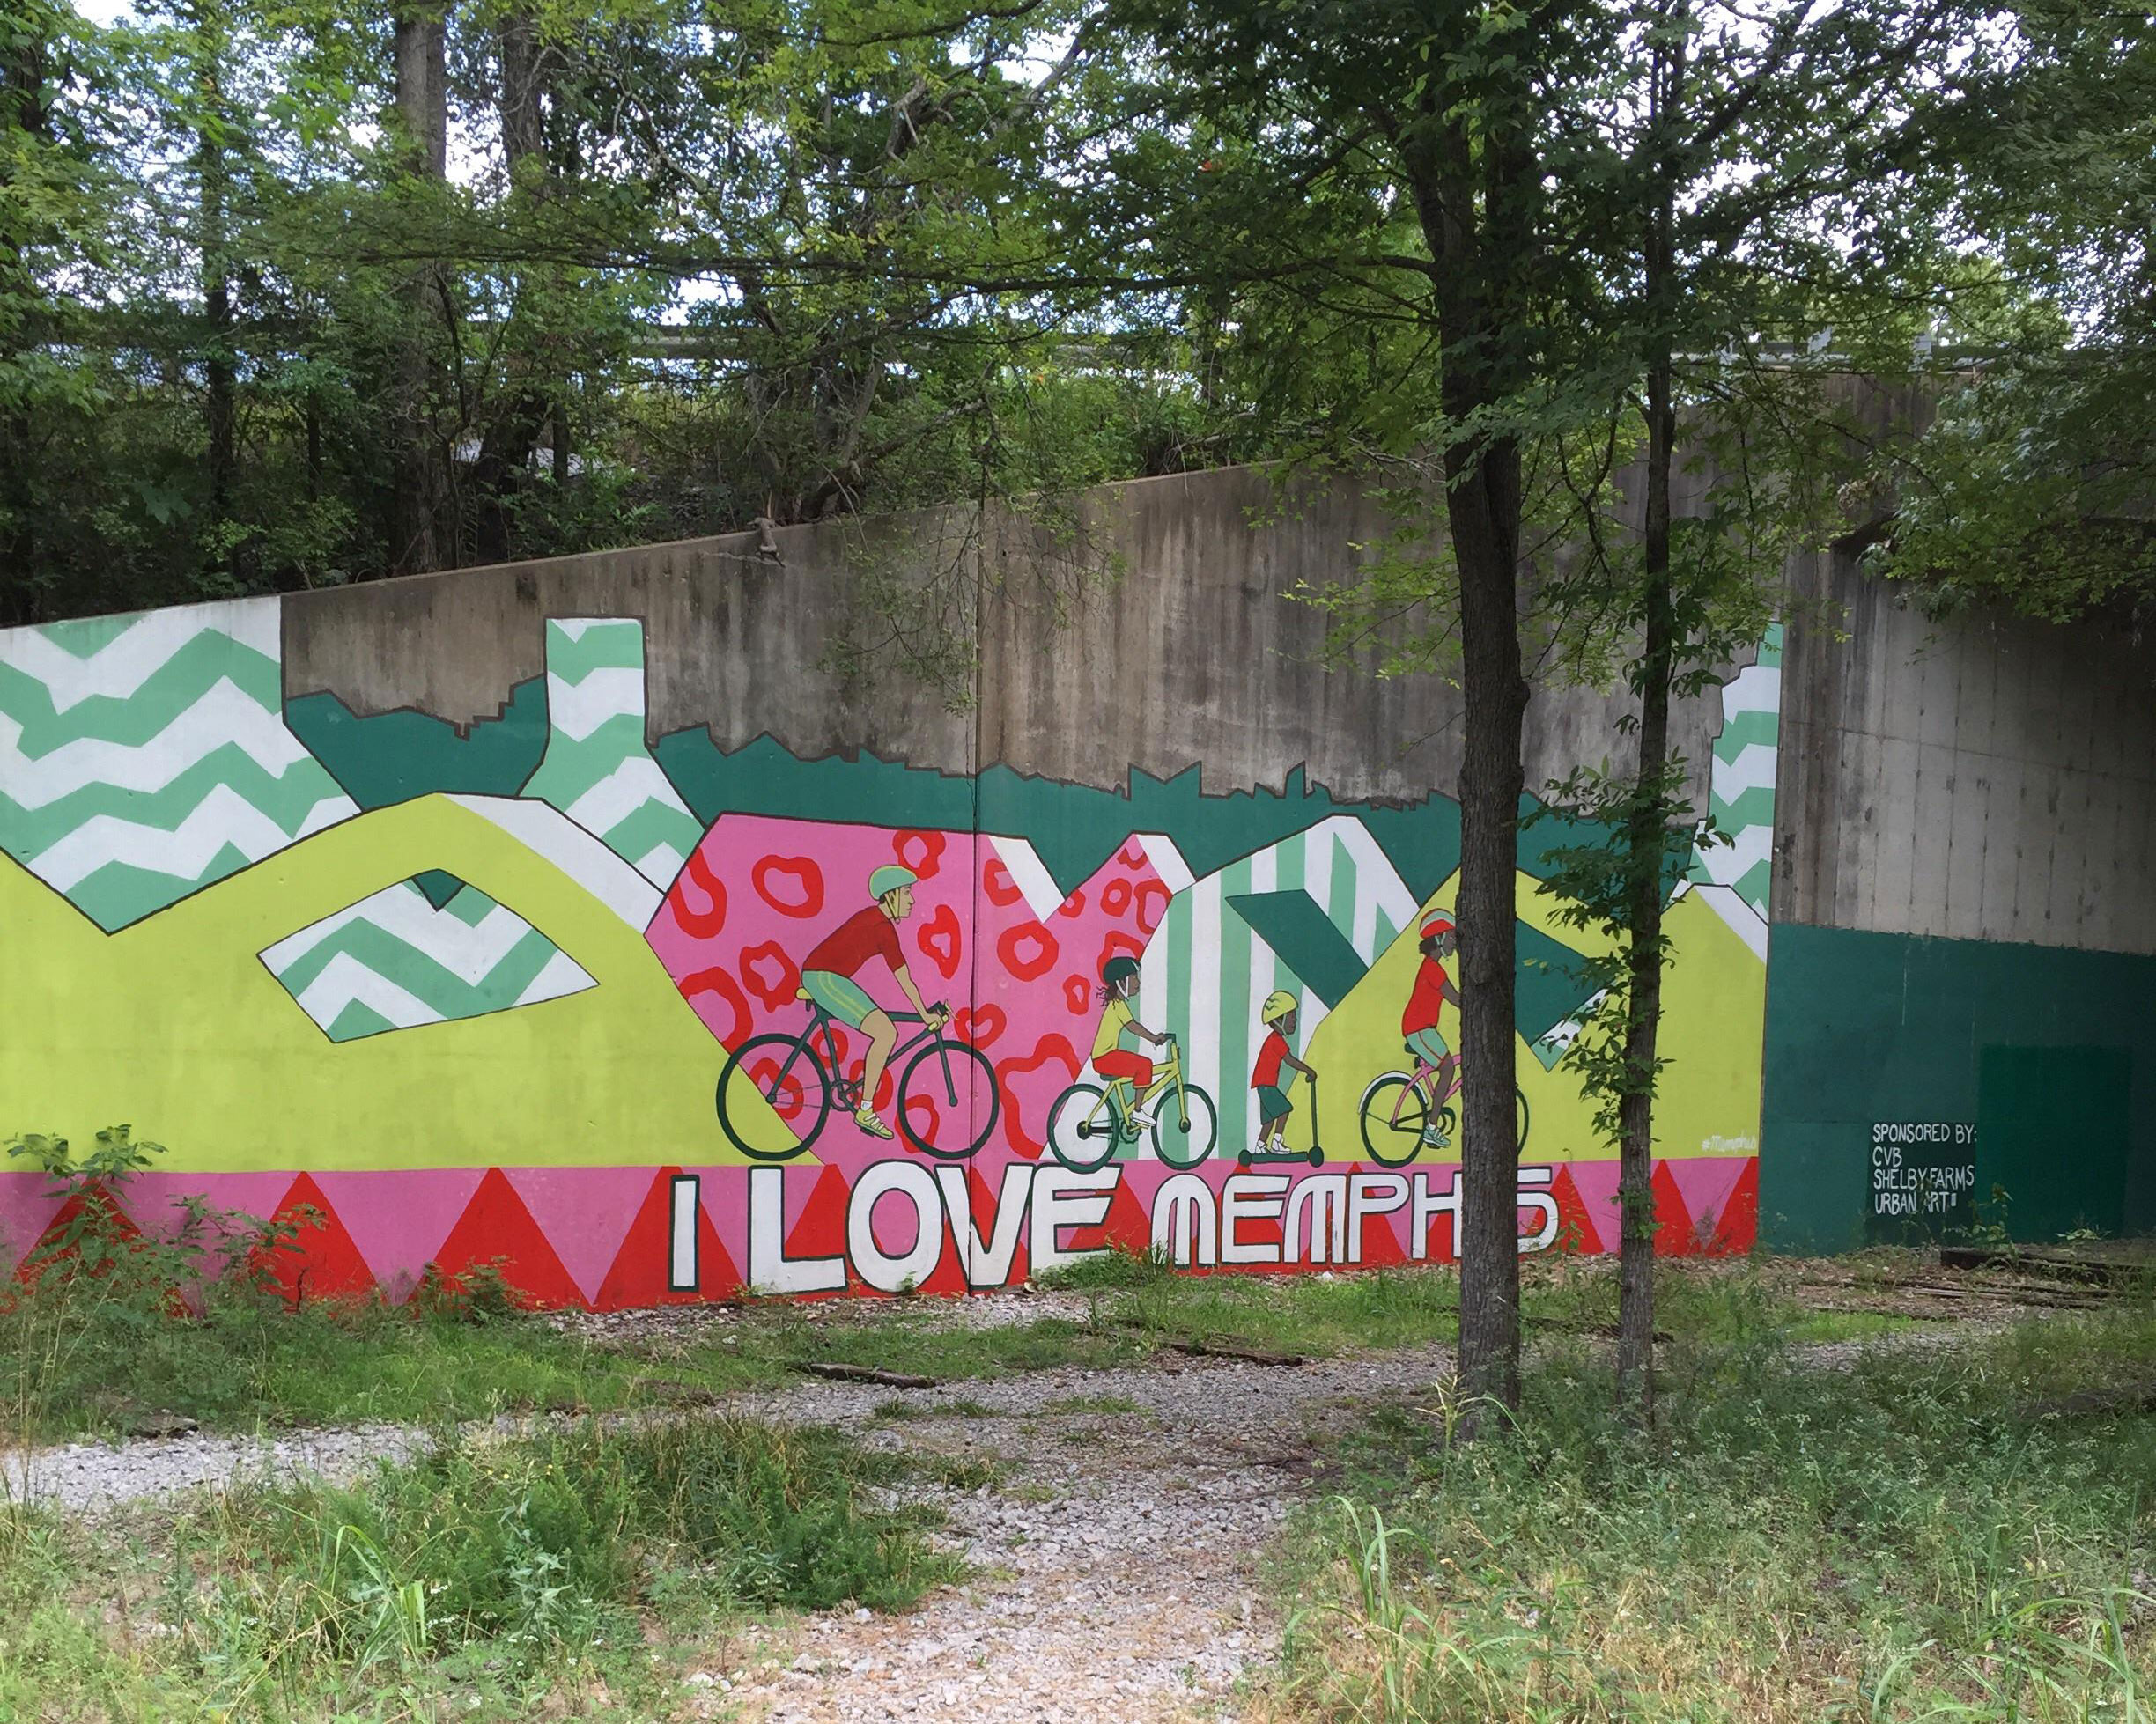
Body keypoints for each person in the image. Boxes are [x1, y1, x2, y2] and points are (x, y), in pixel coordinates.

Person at [798, 864, 948, 1141]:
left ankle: (864, 1105)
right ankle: (865, 1111)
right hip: (823, 978)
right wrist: (925, 1015)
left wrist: (924, 1012)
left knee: (884, 1028)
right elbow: (904, 979)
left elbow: (904, 976)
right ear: (891, 895)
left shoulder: (882, 926)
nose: (912, 899)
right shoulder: (879, 926)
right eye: (906, 892)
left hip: (828, 977)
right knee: (886, 1032)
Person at [1402, 910, 1462, 1148]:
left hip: (1424, 1028)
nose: (1454, 942)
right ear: (1438, 939)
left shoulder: (1432, 967)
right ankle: (1432, 1128)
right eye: (1451, 937)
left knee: (1445, 1065)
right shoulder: (1433, 969)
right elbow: (1456, 999)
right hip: (1418, 1029)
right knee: (1447, 1068)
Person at [1092, 954, 1173, 1129]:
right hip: (1105, 1057)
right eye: (1134, 978)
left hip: (1106, 1055)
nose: (1138, 982)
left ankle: (1134, 1111)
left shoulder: (1118, 1004)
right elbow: (1133, 1027)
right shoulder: (1117, 1005)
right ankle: (1137, 1111)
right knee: (1144, 1065)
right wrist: (1154, 1038)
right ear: (1122, 982)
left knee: (1142, 1065)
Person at [1251, 990, 1315, 1155]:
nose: (1295, 1020)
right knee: (1284, 1109)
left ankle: (1260, 1146)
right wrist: (1309, 1071)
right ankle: (1277, 1143)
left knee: (1269, 1119)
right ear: (1279, 1020)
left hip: (1263, 1084)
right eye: (1291, 1016)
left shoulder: (1274, 1040)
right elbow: (1290, 1060)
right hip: (1266, 1084)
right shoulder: (1276, 1041)